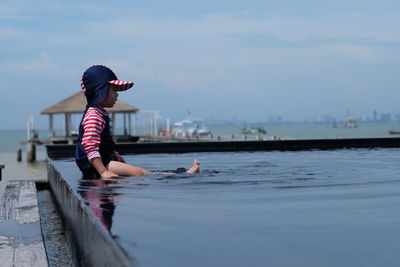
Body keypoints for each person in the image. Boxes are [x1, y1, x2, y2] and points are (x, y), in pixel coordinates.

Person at [75, 65, 200, 179]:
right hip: (95, 166)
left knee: (140, 172)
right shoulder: (93, 116)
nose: (117, 95)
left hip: (101, 161)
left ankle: (180, 174)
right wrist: (103, 172)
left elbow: (102, 142)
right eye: (114, 90)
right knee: (138, 173)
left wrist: (114, 154)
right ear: (100, 91)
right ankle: (184, 176)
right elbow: (90, 145)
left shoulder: (98, 113)